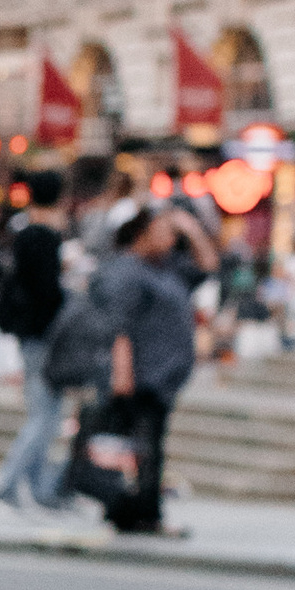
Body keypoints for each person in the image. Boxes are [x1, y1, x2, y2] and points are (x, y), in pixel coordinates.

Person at [85, 201, 205, 532]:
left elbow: (208, 265)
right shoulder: (127, 270)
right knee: (139, 448)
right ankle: (139, 512)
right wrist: (122, 375)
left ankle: (132, 510)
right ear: (141, 234)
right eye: (163, 231)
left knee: (145, 447)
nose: (169, 238)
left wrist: (191, 229)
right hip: (140, 375)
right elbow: (118, 326)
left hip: (162, 376)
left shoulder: (169, 268)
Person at [0, 170, 72, 510]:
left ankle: (39, 488)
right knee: (45, 416)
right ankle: (8, 485)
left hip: (28, 334)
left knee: (43, 413)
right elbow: (48, 293)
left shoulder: (22, 234)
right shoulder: (45, 238)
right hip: (43, 336)